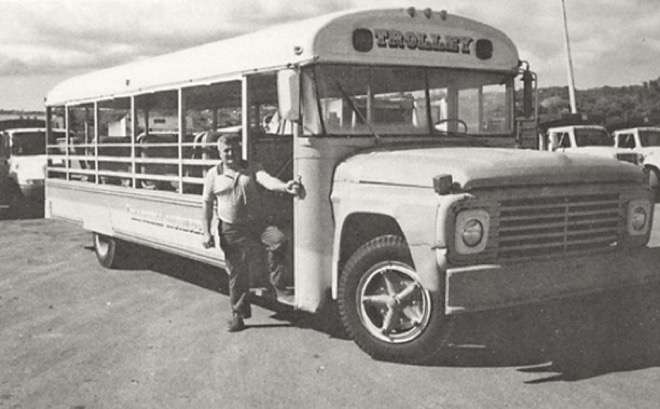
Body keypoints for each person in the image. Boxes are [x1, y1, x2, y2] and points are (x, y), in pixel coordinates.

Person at [201, 132, 300, 332]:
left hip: (257, 224)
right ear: (219, 153)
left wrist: (284, 186)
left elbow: (267, 180)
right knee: (238, 272)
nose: (231, 154)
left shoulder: (252, 168)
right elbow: (207, 203)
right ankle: (238, 315)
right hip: (231, 229)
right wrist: (206, 232)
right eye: (226, 150)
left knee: (279, 241)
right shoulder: (213, 175)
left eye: (234, 149)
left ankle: (277, 284)